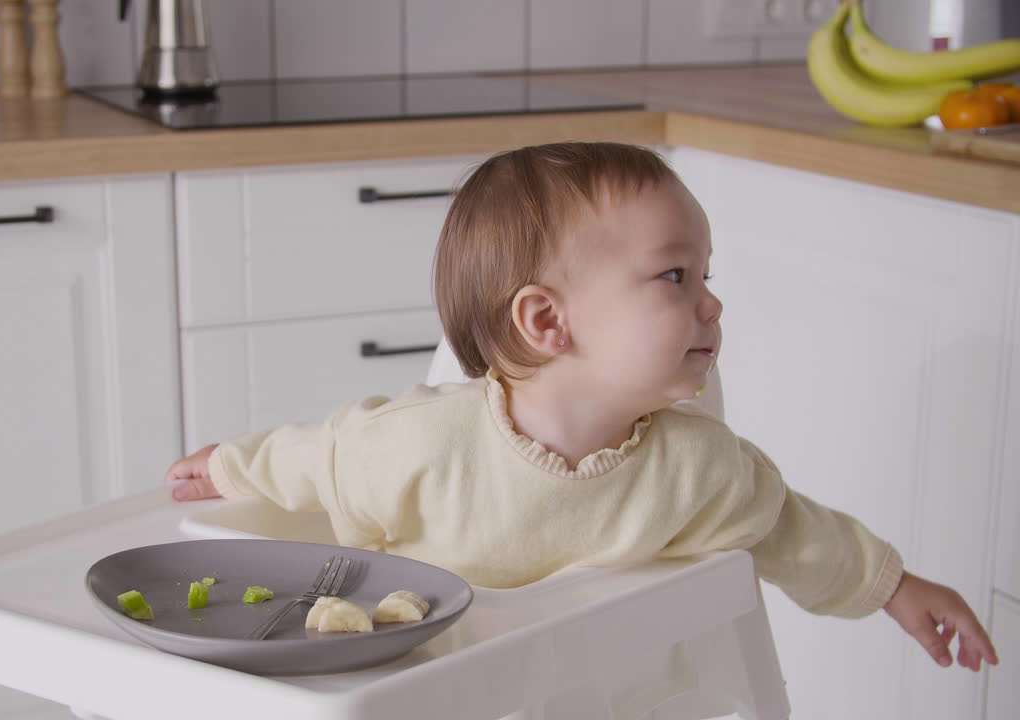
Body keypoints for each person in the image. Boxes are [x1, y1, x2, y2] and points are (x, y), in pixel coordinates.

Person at [165, 142, 998, 671]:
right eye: (677, 276)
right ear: (547, 321)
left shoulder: (698, 466)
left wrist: (893, 585)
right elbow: (316, 456)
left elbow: (791, 530)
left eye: (707, 276)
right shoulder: (421, 444)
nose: (712, 305)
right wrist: (224, 466)